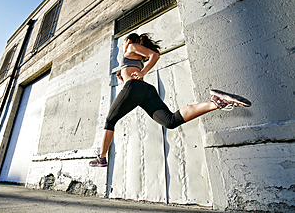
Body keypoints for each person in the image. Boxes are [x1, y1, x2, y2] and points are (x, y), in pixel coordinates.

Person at [89, 33, 251, 167]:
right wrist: (125, 76)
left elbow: (155, 55)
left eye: (123, 42)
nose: (123, 46)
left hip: (135, 88)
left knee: (110, 120)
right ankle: (215, 102)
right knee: (170, 121)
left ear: (129, 41)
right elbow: (132, 80)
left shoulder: (130, 48)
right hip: (145, 91)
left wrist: (142, 72)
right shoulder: (135, 58)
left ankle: (102, 158)